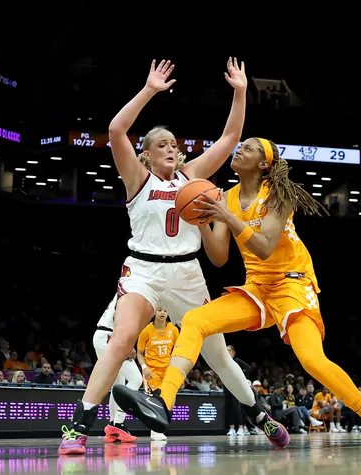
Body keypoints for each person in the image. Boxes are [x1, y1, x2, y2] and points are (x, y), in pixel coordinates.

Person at [113, 137, 361, 448]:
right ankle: (163, 403)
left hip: (292, 284)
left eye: (250, 148)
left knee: (311, 360)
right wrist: (200, 219)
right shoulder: (225, 198)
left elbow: (265, 247)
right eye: (240, 146)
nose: (240, 149)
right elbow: (218, 257)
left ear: (264, 164)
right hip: (258, 288)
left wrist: (226, 217)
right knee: (195, 320)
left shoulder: (280, 195)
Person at [59, 57, 282, 455]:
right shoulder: (136, 177)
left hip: (187, 275)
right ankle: (78, 425)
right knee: (121, 339)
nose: (171, 149)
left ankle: (258, 414)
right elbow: (115, 129)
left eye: (174, 145)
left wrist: (241, 91)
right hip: (143, 270)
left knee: (217, 356)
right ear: (145, 154)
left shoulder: (192, 176)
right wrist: (149, 90)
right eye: (162, 144)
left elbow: (231, 138)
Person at [92, 295, 143, 444]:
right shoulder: (130, 294)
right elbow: (123, 320)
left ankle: (114, 426)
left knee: (118, 385)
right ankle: (117, 424)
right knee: (135, 379)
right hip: (110, 336)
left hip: (103, 335)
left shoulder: (124, 292)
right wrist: (129, 343)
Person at [137, 306, 179, 441]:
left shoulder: (173, 330)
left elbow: (178, 350)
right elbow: (139, 353)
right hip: (152, 371)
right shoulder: (146, 331)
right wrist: (144, 367)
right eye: (159, 310)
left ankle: (161, 427)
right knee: (157, 400)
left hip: (168, 370)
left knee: (170, 401)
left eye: (165, 310)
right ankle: (155, 431)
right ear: (154, 313)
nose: (162, 313)